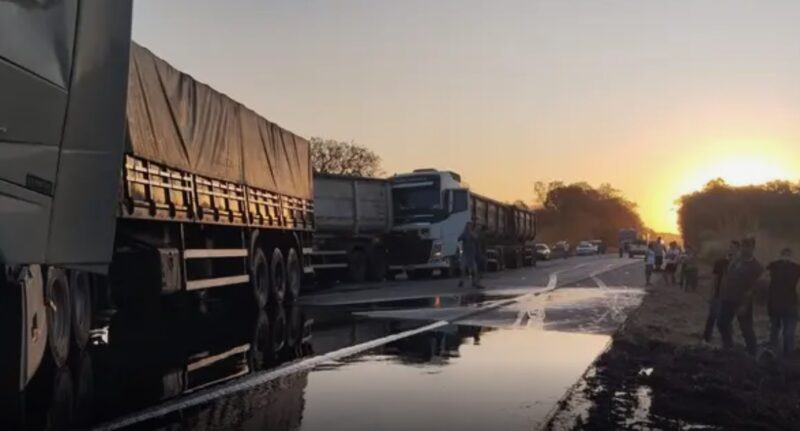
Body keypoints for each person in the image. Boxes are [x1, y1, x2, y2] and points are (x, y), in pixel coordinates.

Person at [716, 237, 763, 356]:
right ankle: (728, 347)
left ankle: (753, 353)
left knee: (746, 329)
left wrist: (744, 304)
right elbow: (728, 276)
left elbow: (753, 288)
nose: (745, 249)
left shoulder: (756, 266)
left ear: (753, 248)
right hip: (727, 298)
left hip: (742, 301)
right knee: (721, 323)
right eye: (743, 246)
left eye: (748, 246)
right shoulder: (736, 260)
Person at [766, 248, 800, 356]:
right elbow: (766, 279)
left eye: (788, 254)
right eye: (785, 254)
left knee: (787, 333)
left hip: (788, 304)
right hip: (778, 303)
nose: (786, 257)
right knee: (775, 332)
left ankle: (786, 356)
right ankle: (775, 356)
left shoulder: (796, 267)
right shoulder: (774, 265)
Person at [704, 240, 740, 342]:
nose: (731, 250)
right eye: (730, 247)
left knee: (727, 320)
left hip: (731, 297)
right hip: (718, 294)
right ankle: (707, 337)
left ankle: (727, 340)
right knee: (712, 316)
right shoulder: (719, 262)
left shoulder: (739, 264)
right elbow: (714, 279)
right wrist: (711, 294)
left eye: (734, 248)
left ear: (738, 250)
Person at [458, 222, 481, 288]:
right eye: (468, 225)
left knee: (474, 269)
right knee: (463, 268)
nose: (469, 226)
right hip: (465, 254)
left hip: (472, 254)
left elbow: (475, 238)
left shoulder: (474, 233)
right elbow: (459, 238)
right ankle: (462, 281)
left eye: (470, 225)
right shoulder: (464, 233)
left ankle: (474, 282)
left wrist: (471, 232)